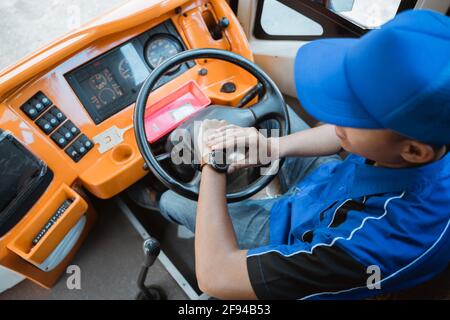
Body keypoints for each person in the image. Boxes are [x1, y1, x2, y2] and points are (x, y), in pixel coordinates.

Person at [159, 10, 450, 299]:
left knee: (172, 199)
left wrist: (213, 159)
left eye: (350, 113)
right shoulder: (428, 132)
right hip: (329, 183)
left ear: (413, 151)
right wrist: (273, 147)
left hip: (302, 234)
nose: (331, 119)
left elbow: (215, 276)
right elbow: (339, 135)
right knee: (275, 117)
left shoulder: (377, 246)